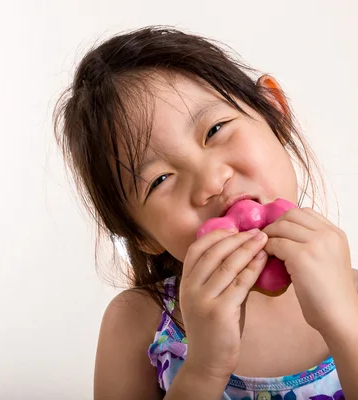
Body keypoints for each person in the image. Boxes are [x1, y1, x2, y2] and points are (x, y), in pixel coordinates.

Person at [53, 26, 358, 399]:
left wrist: (346, 326)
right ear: (141, 234)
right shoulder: (137, 324)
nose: (211, 182)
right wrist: (205, 367)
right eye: (160, 179)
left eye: (215, 129)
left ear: (275, 112)